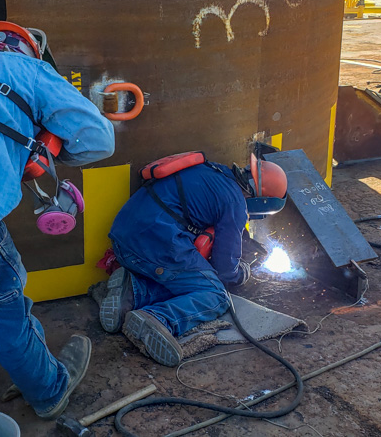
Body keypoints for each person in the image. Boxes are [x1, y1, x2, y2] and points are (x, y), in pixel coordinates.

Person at [0, 21, 115, 419]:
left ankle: (30, 365)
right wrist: (45, 149)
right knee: (3, 303)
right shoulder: (21, 69)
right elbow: (98, 138)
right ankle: (49, 389)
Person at [99, 151, 287, 367]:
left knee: (189, 280)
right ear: (261, 201)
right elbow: (225, 270)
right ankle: (158, 318)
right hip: (154, 243)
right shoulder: (235, 202)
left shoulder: (214, 170)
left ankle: (133, 291)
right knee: (215, 293)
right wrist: (241, 272)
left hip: (124, 242)